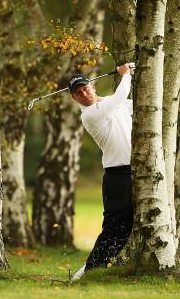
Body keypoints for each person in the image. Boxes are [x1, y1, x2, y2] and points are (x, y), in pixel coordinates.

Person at [68, 63, 134, 282]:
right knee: (115, 226)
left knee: (128, 226)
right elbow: (121, 94)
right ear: (75, 99)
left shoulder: (112, 104)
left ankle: (98, 266)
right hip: (117, 175)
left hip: (134, 171)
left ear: (92, 86)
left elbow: (142, 106)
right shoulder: (90, 115)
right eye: (78, 92)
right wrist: (126, 73)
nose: (84, 93)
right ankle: (89, 271)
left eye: (85, 87)